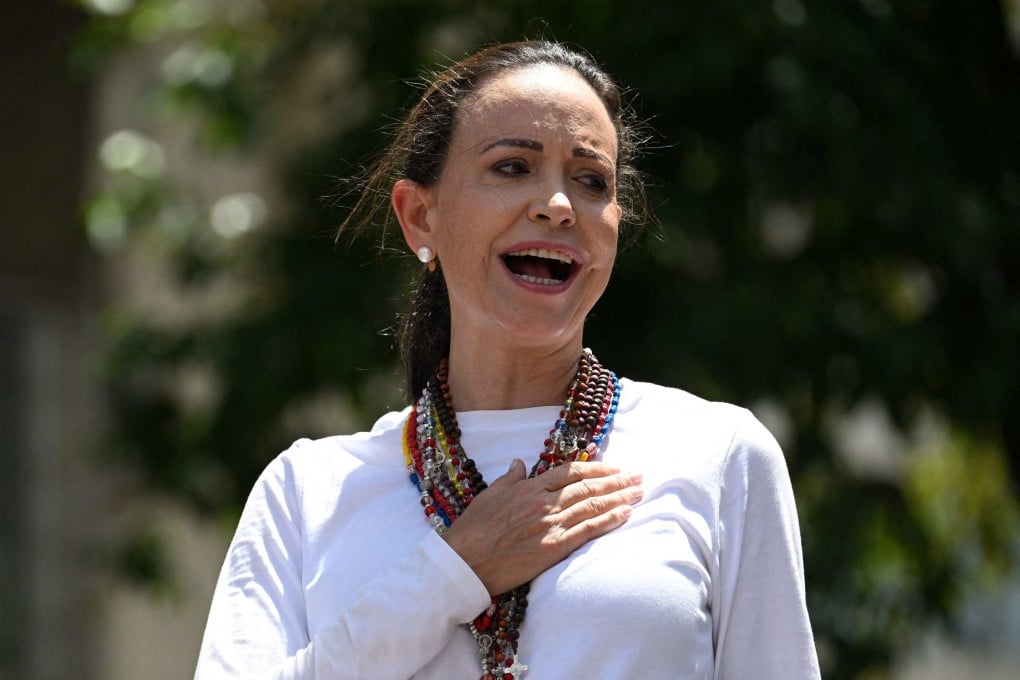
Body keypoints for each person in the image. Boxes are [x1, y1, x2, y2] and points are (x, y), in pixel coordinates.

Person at [194, 40, 820, 680]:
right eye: (513, 167)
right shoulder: (309, 492)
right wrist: (452, 572)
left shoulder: (718, 454)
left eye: (592, 181)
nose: (558, 205)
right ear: (420, 216)